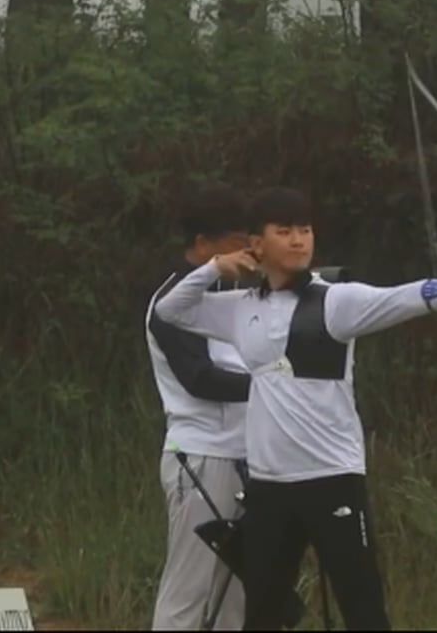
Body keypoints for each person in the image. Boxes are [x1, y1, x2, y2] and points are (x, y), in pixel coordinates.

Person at [153, 186, 437, 631]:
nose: (298, 240)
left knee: (362, 606)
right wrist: (214, 267)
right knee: (262, 612)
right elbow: (169, 310)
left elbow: (409, 296)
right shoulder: (239, 308)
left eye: (305, 230)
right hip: (270, 485)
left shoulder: (335, 300)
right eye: (283, 231)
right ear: (255, 244)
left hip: (332, 478)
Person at [148, 182, 253, 631]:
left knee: (236, 595)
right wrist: (274, 386)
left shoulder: (237, 295)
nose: (247, 253)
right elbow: (201, 379)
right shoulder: (171, 302)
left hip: (247, 457)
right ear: (203, 246)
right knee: (189, 589)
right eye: (235, 244)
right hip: (201, 456)